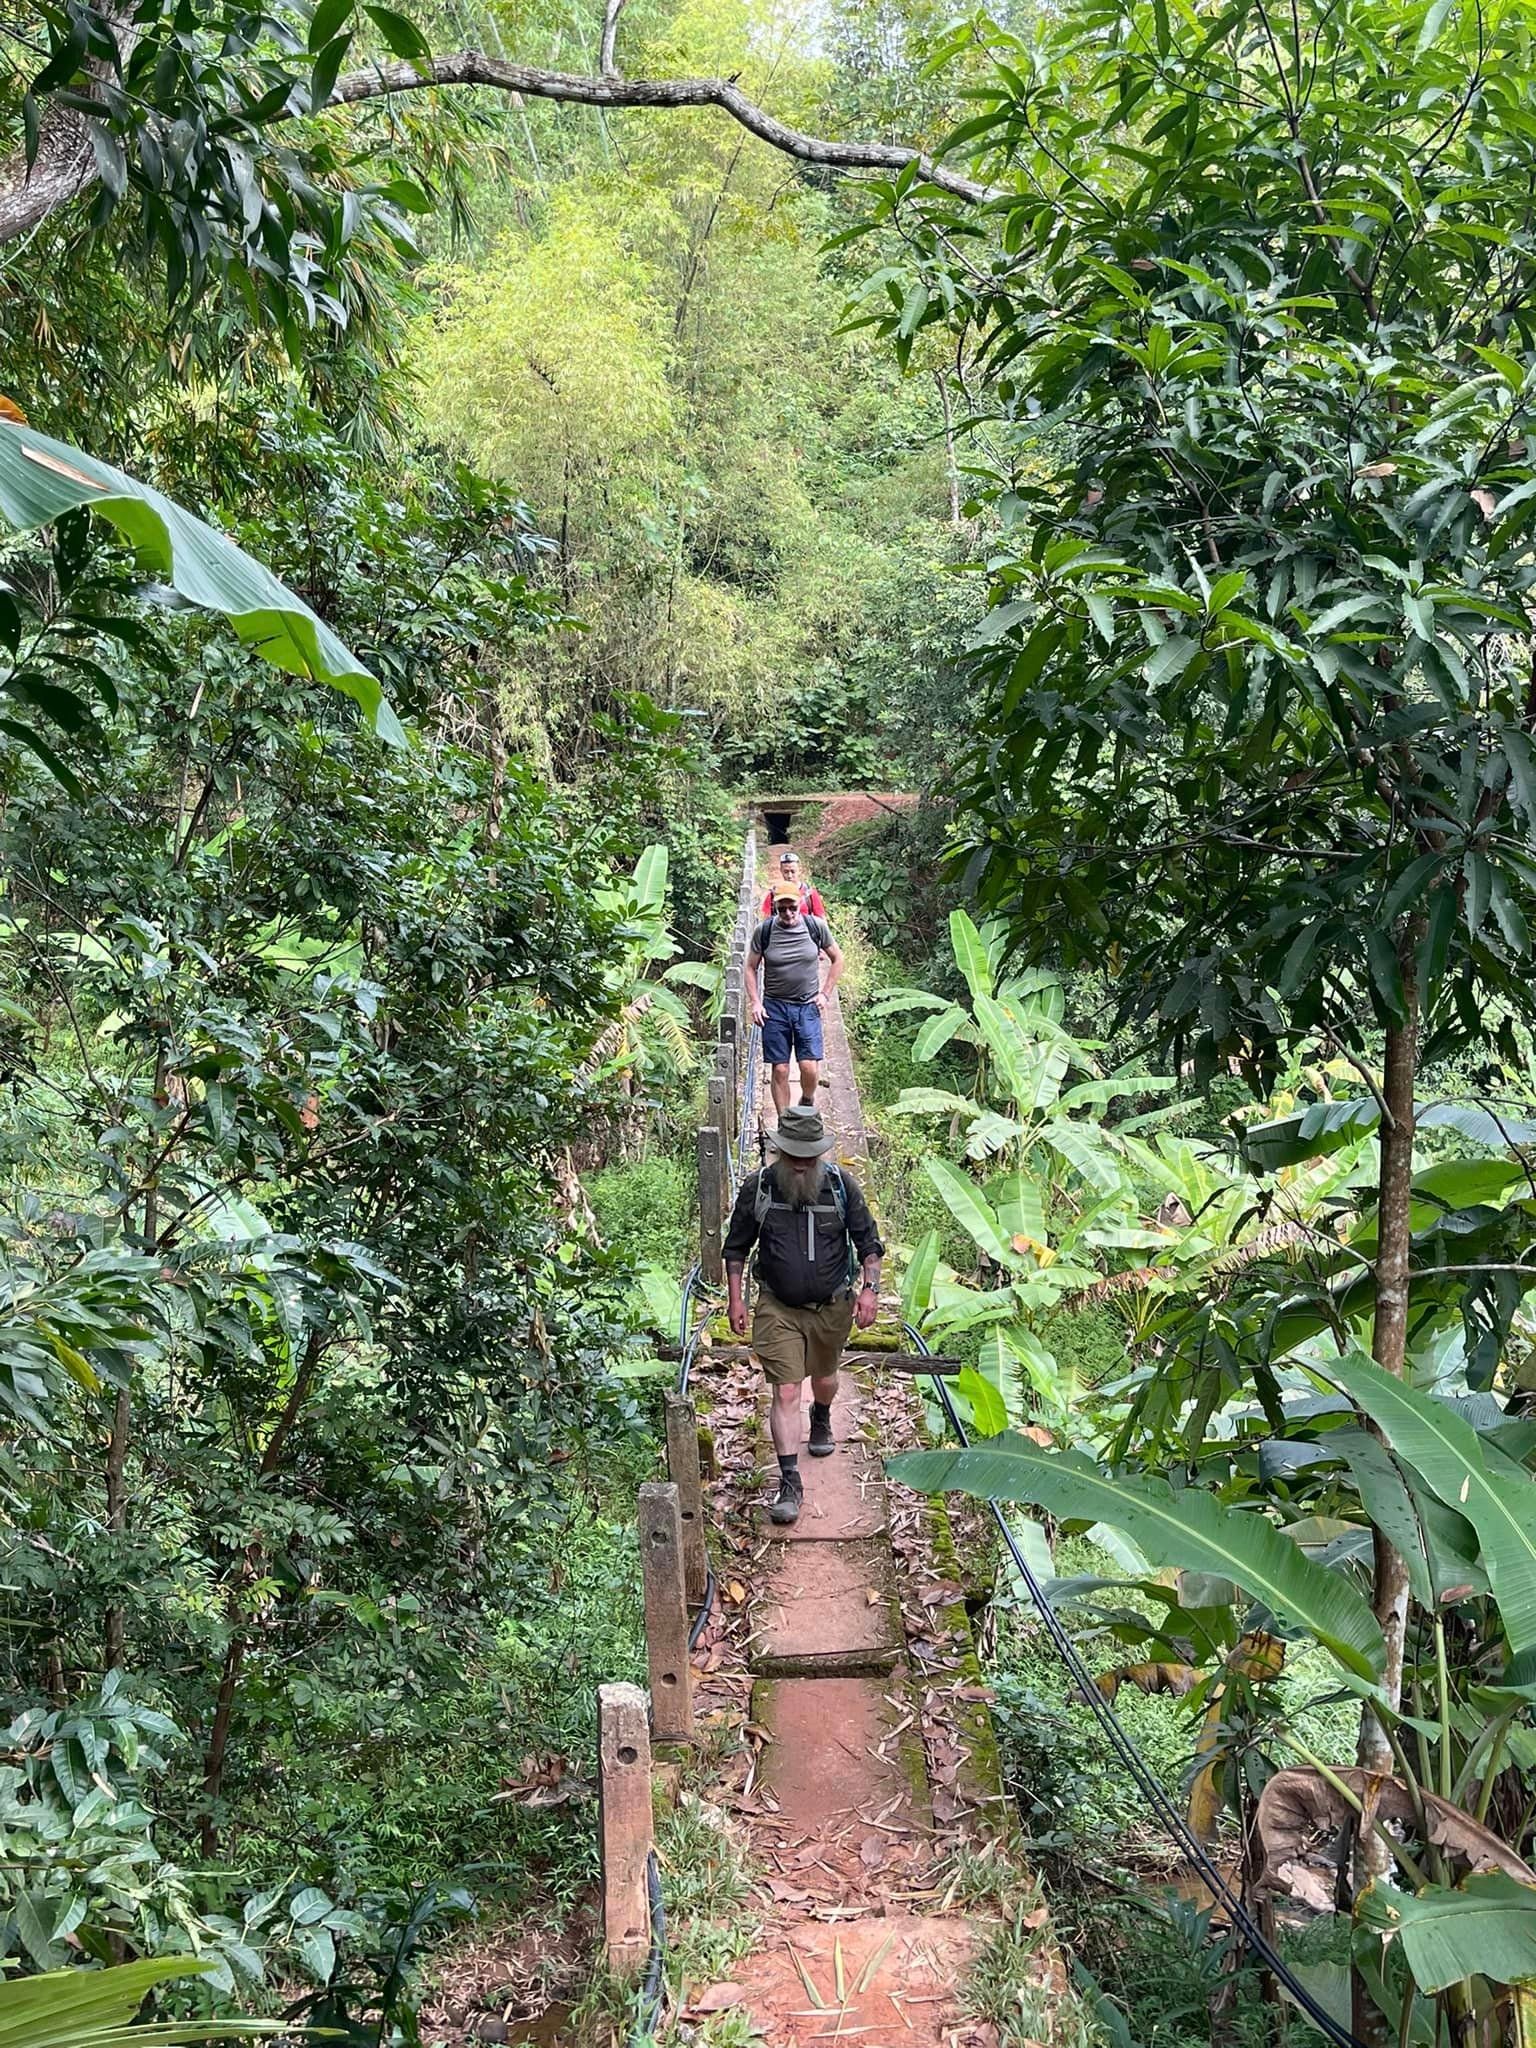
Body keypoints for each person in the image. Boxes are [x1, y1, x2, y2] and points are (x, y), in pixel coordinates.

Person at [723, 1104, 884, 1525]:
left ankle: (822, 1416)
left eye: (807, 1157)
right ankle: (790, 1480)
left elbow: (869, 1243)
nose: (800, 1165)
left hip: (832, 1306)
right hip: (778, 1306)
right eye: (793, 1156)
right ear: (779, 1151)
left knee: (826, 1379)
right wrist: (735, 1299)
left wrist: (870, 1291)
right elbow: (736, 1247)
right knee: (786, 1391)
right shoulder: (759, 1188)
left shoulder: (840, 1186)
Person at [746, 884, 844, 1118]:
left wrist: (825, 993)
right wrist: (755, 1002)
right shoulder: (765, 931)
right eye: (782, 909)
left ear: (800, 905)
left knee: (809, 1066)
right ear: (775, 908)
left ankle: (807, 1101)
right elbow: (750, 966)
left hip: (807, 1005)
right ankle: (785, 1121)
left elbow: (837, 958)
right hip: (775, 1007)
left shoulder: (815, 927)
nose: (788, 913)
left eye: (792, 907)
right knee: (780, 1069)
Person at [760, 848, 825, 919]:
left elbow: (821, 920)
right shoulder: (773, 894)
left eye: (793, 871)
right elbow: (766, 920)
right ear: (781, 871)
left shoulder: (810, 894)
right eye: (786, 872)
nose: (789, 876)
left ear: (800, 870)